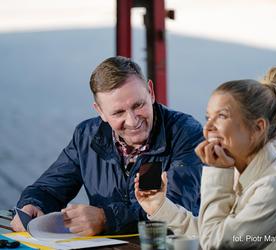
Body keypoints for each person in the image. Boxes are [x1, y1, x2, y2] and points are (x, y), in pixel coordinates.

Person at [11, 56, 204, 236]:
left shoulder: (185, 132)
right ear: (100, 111)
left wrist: (107, 219)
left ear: (151, 93)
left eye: (138, 105)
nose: (132, 120)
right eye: (119, 112)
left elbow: (177, 207)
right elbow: (48, 189)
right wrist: (32, 204)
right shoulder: (87, 135)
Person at [135, 67, 276, 250]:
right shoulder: (241, 170)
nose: (207, 128)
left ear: (258, 128)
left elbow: (214, 244)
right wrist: (160, 207)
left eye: (221, 116)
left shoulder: (274, 188)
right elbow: (211, 232)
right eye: (208, 117)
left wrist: (218, 173)